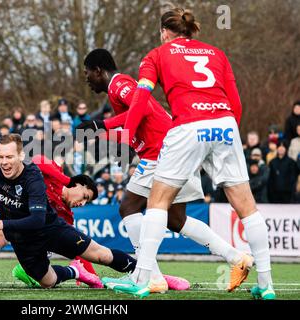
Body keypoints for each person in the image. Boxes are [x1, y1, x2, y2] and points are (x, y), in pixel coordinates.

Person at [106, 8, 275, 300]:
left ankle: (145, 280)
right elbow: (234, 102)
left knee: (157, 202)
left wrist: (127, 134)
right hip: (224, 125)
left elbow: (142, 96)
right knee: (248, 208)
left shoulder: (156, 55)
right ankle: (267, 285)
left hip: (188, 126)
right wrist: (229, 134)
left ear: (164, 32)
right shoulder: (216, 53)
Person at [81, 48, 249, 293]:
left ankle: (150, 277)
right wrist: (103, 132)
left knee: (128, 207)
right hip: (176, 148)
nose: (87, 79)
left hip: (161, 153)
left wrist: (102, 124)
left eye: (88, 74)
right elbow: (136, 122)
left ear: (98, 70)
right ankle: (237, 257)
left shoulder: (120, 84)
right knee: (175, 219)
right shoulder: (120, 87)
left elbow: (145, 108)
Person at [0, 113, 137, 291]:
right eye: (1, 157)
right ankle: (74, 272)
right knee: (48, 281)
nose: (4, 162)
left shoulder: (33, 179)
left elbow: (36, 219)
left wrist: (2, 224)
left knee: (100, 254)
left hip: (48, 228)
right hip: (23, 240)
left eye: (9, 157)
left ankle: (143, 272)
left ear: (21, 156)